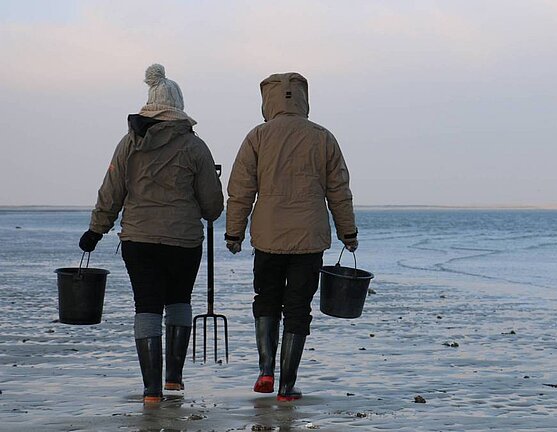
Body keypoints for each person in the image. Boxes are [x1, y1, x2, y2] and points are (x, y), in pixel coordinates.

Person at [79, 64, 224, 404]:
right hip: (184, 242)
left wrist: (96, 230)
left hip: (138, 240)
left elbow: (111, 191)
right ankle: (173, 378)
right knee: (179, 301)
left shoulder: (128, 144)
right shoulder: (195, 147)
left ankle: (151, 391)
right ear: (178, 106)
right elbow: (213, 207)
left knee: (146, 306)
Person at [225, 72, 358, 402]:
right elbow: (339, 191)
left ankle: (266, 370)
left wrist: (234, 233)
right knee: (298, 308)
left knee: (266, 299)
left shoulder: (257, 137)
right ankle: (287, 387)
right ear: (304, 99)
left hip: (267, 236)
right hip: (309, 239)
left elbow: (240, 192)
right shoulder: (323, 138)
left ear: (267, 101)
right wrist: (348, 232)